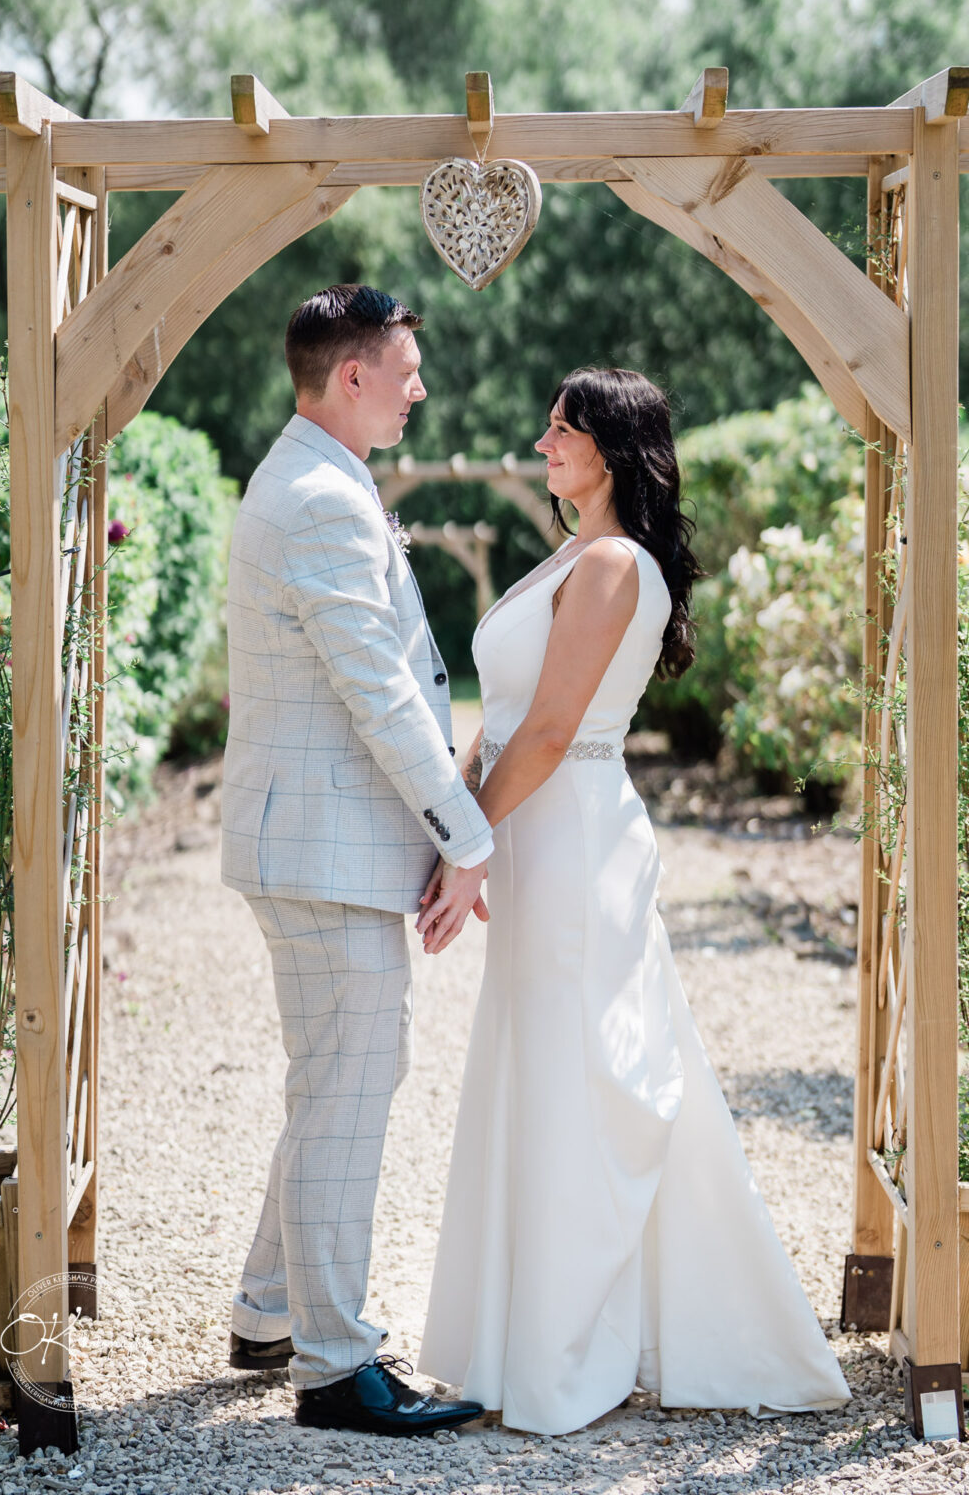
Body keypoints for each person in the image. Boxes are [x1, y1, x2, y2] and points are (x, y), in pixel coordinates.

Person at [416, 366, 851, 1435]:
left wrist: (474, 842)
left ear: (611, 448)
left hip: (572, 842)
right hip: (532, 834)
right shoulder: (570, 553)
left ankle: (568, 1356)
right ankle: (522, 1338)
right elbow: (504, 713)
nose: (542, 437)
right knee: (538, 1064)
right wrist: (453, 829)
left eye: (562, 426)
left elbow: (556, 728)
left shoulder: (612, 563)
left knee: (581, 1077)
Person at [221, 284, 494, 1435]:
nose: (419, 387)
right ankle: (335, 1371)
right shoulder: (323, 497)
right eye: (405, 369)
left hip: (312, 841)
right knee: (346, 1098)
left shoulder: (314, 475)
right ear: (351, 378)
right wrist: (465, 838)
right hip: (322, 848)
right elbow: (378, 692)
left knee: (339, 1082)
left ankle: (268, 1311)